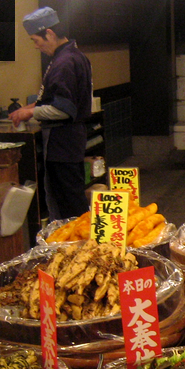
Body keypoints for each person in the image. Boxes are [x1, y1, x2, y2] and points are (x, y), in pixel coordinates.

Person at [9, 6, 92, 222]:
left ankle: (81, 246)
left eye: (36, 41)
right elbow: (55, 97)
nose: (37, 47)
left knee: (69, 202)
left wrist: (30, 114)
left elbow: (62, 109)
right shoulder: (73, 55)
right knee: (70, 196)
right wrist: (30, 107)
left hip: (63, 142)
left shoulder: (64, 63)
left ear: (50, 33)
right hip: (69, 141)